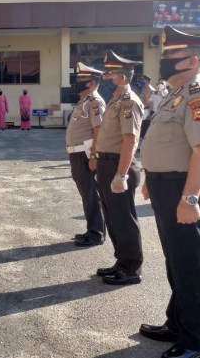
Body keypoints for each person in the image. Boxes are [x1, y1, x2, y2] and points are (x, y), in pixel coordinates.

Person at [139, 26, 200, 358]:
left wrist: (189, 199)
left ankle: (194, 340)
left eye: (170, 57)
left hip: (181, 188)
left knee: (189, 264)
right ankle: (176, 323)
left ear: (191, 60)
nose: (164, 63)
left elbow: (199, 151)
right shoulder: (173, 95)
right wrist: (151, 177)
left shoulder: (195, 95)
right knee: (175, 260)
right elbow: (163, 144)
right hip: (164, 185)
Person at [90, 50, 144, 285]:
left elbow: (130, 140)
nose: (106, 78)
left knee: (123, 218)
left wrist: (121, 174)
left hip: (117, 165)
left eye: (110, 74)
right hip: (107, 163)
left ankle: (131, 268)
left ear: (122, 77)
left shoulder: (129, 101)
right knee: (113, 218)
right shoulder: (116, 99)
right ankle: (121, 262)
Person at [66, 63, 106, 247]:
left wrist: (94, 157)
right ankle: (92, 229)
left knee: (91, 194)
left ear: (91, 83)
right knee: (86, 194)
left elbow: (98, 130)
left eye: (80, 80)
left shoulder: (95, 102)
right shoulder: (84, 101)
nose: (76, 83)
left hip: (86, 154)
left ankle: (96, 234)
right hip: (77, 154)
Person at [138, 74, 155, 140]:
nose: (141, 82)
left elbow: (151, 103)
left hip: (147, 111)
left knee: (145, 128)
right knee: (142, 128)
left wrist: (150, 114)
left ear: (147, 82)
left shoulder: (150, 90)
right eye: (140, 80)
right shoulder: (143, 88)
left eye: (143, 80)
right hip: (142, 110)